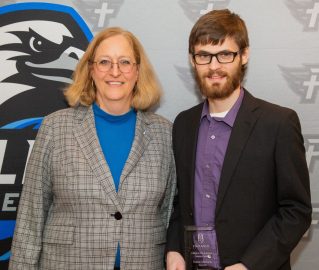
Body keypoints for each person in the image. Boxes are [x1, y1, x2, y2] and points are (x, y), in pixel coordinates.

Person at [9, 27, 176, 270]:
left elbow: (169, 210)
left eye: (125, 62)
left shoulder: (164, 133)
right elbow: (30, 218)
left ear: (138, 71)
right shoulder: (56, 127)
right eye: (105, 62)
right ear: (91, 70)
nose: (115, 71)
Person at [165, 9, 312, 270]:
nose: (213, 66)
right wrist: (175, 248)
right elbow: (179, 201)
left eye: (225, 54)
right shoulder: (183, 125)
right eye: (204, 56)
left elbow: (295, 211)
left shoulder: (278, 123)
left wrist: (248, 265)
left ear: (244, 55)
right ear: (192, 60)